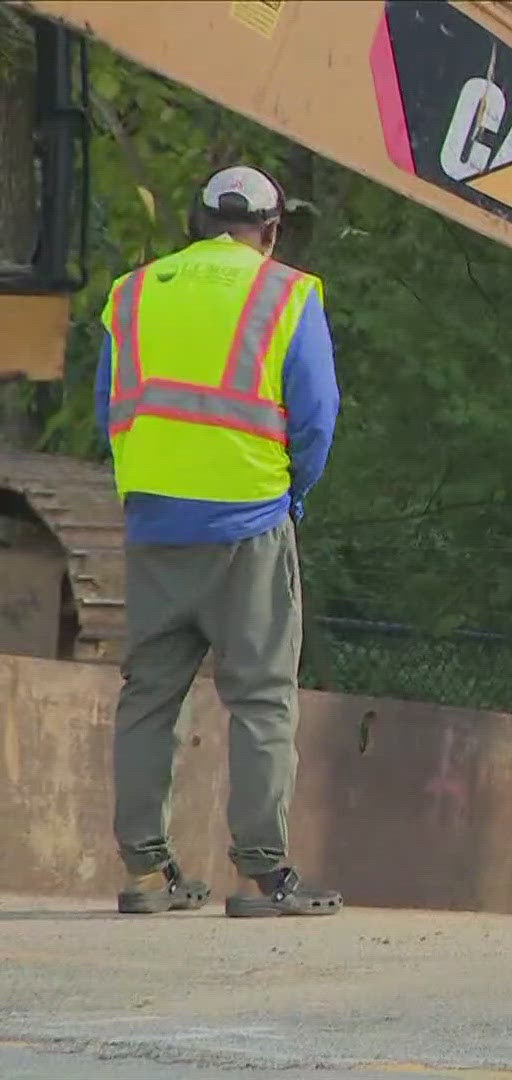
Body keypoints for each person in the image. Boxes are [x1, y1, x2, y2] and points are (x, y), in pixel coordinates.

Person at [93, 165, 343, 918]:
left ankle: (144, 873)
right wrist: (289, 495)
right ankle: (260, 877)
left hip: (156, 524)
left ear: (200, 224)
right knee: (263, 699)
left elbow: (110, 404)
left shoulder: (133, 294)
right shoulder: (287, 293)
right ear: (270, 231)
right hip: (248, 525)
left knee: (147, 699)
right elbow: (318, 415)